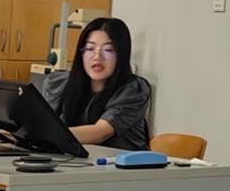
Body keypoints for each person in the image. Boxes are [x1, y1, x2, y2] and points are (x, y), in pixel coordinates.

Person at [42, 18, 150, 151]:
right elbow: (44, 121)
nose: (97, 56)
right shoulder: (60, 83)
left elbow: (100, 133)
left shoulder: (133, 90)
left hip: (121, 163)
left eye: (108, 50)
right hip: (75, 161)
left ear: (121, 55)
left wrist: (44, 134)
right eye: (90, 48)